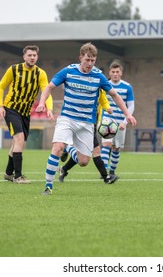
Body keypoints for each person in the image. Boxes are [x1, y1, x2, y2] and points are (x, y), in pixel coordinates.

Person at [36, 42, 136, 195]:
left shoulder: (98, 76)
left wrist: (128, 114)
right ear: (80, 58)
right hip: (67, 118)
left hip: (87, 123)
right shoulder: (68, 71)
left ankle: (68, 148)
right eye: (87, 60)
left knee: (84, 161)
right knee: (57, 148)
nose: (90, 64)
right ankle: (48, 186)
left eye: (93, 61)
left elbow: (114, 95)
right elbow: (49, 87)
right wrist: (42, 103)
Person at [0, 45, 54, 184]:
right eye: (30, 55)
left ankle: (8, 173)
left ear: (37, 57)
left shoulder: (41, 73)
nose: (32, 57)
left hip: (25, 113)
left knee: (16, 142)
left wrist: (49, 108)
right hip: (11, 109)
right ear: (24, 57)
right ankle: (18, 176)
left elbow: (46, 92)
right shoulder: (14, 69)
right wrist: (0, 106)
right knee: (19, 139)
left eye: (34, 55)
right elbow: (1, 86)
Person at [58, 89, 119, 184]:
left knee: (83, 158)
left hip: (92, 124)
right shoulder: (85, 87)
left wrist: (107, 108)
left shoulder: (100, 89)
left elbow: (103, 100)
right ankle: (106, 177)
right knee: (96, 151)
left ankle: (64, 168)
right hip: (84, 123)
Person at [100, 61, 135, 178]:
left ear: (121, 73)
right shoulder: (105, 85)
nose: (115, 74)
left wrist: (125, 122)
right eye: (113, 72)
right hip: (107, 119)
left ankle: (112, 171)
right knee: (106, 144)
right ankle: (104, 172)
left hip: (121, 121)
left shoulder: (127, 87)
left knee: (116, 148)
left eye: (117, 72)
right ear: (109, 73)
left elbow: (131, 106)